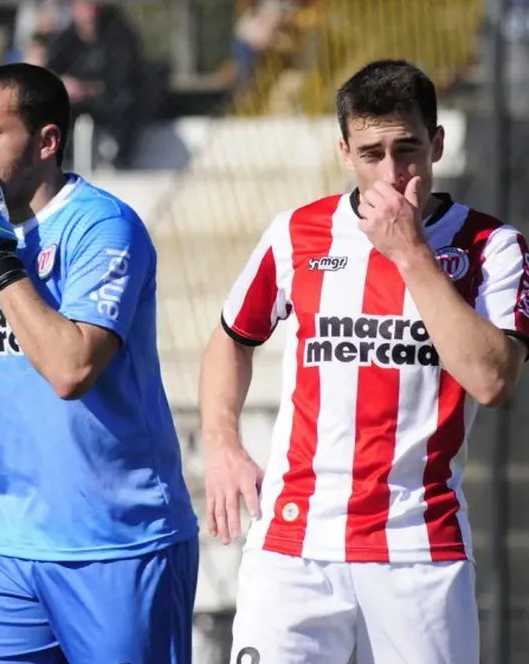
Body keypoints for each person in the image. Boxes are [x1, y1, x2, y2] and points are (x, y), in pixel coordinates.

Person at [200, 59, 529, 664]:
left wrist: (410, 254)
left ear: (437, 143)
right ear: (345, 151)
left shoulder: (492, 246)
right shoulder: (295, 233)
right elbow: (232, 336)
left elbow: (493, 379)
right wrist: (221, 439)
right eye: (372, 152)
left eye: (407, 149)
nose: (392, 172)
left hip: (417, 548)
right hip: (294, 544)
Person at [0, 63, 199, 663]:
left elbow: (70, 370)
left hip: (117, 544)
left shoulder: (103, 225)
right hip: (11, 548)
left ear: (47, 141)